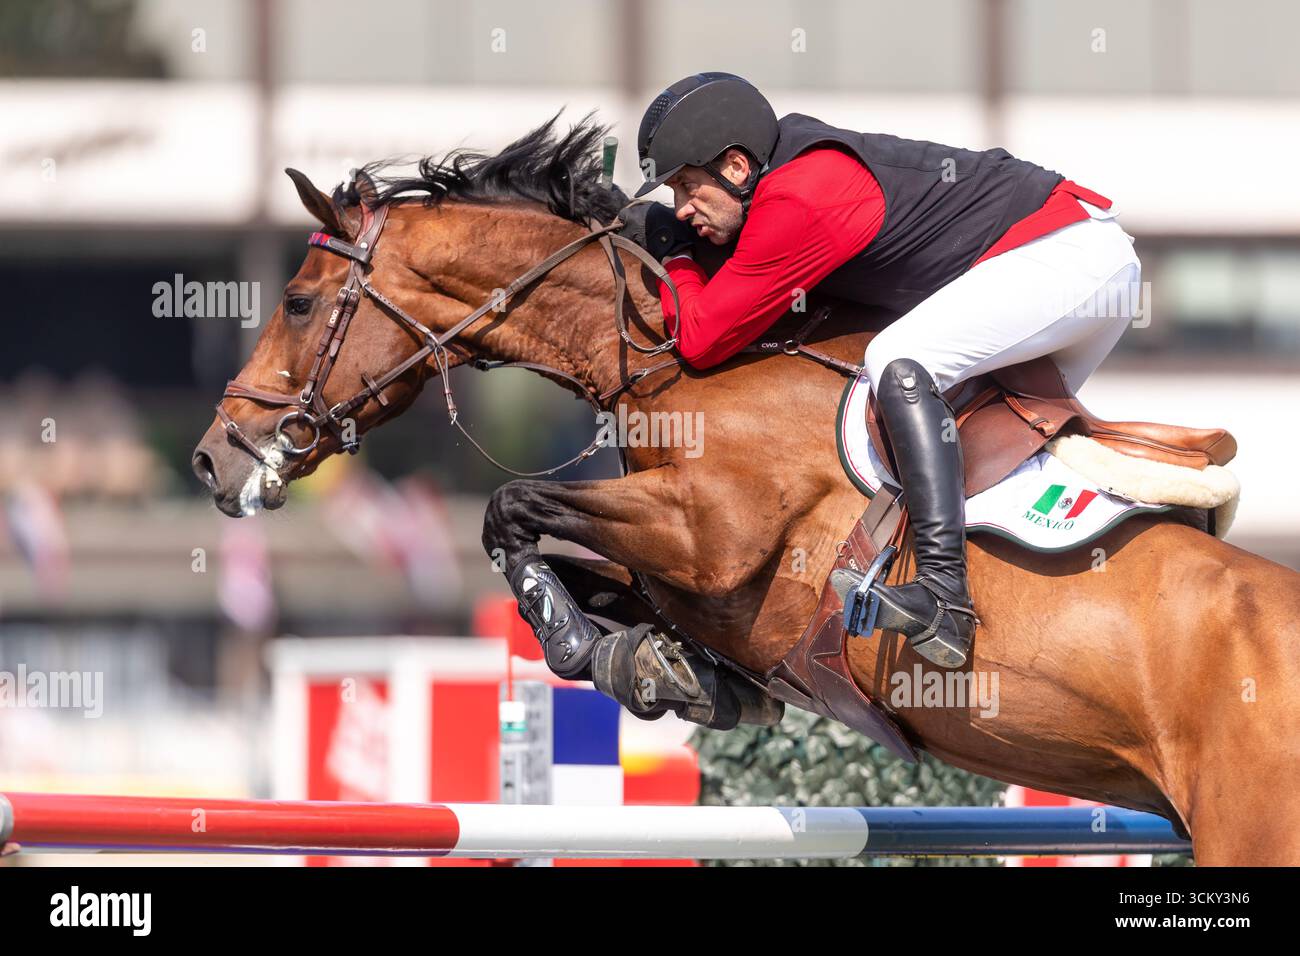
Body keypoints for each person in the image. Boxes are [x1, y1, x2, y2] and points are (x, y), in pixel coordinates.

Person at [630, 72, 1140, 668]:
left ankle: (945, 598)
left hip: (1071, 257)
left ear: (738, 168)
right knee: (983, 457)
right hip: (1069, 258)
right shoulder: (782, 181)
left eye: (687, 188)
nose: (682, 209)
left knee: (897, 361)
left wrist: (678, 258)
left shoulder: (800, 196)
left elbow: (700, 339)